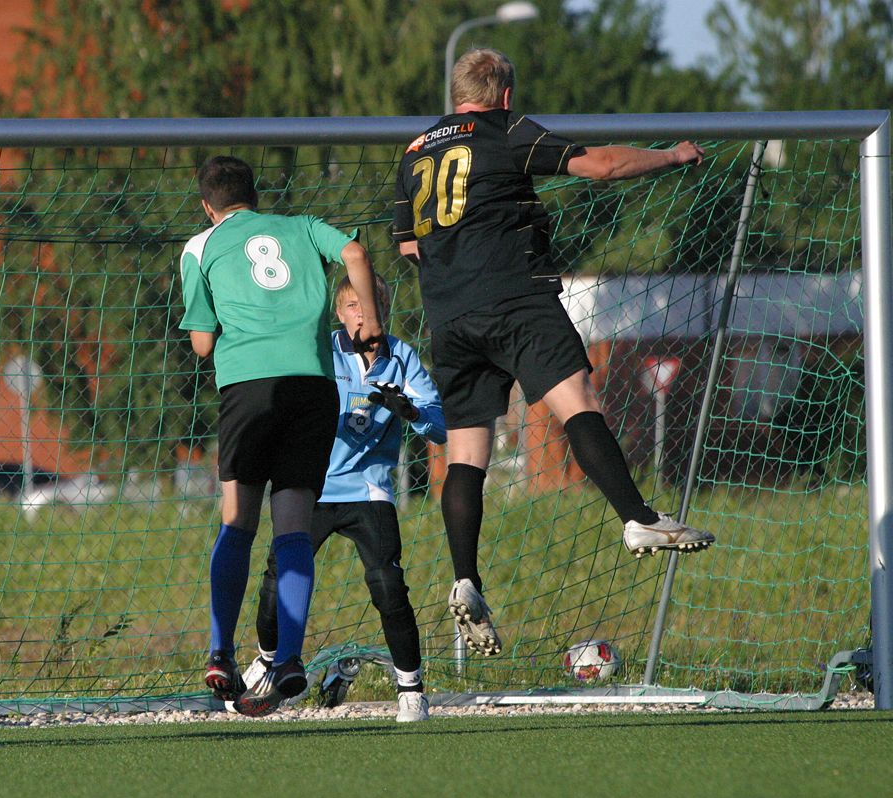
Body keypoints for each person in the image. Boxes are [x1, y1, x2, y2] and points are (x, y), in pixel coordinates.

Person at [393, 48, 715, 657]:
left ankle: (465, 579)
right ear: (505, 95)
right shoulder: (505, 129)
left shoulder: (414, 151)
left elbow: (408, 246)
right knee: (577, 401)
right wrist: (672, 155)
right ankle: (638, 517)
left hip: (449, 318)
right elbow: (603, 165)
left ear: (456, 94)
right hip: (514, 298)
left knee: (465, 452)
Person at [179, 155, 383, 717]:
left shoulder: (199, 247)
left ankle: (221, 653)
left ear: (207, 205)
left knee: (238, 522)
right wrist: (370, 321)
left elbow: (201, 344)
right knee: (292, 527)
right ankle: (289, 658)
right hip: (313, 388)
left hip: (249, 389)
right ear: (255, 195)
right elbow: (356, 253)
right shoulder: (302, 227)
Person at [243, 273, 446, 722]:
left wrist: (409, 411)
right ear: (339, 312)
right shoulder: (318, 352)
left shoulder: (401, 358)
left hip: (368, 489)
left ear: (383, 311)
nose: (361, 314)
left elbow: (439, 426)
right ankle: (268, 661)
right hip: (311, 484)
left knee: (388, 584)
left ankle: (411, 689)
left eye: (370, 305)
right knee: (278, 577)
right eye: (352, 305)